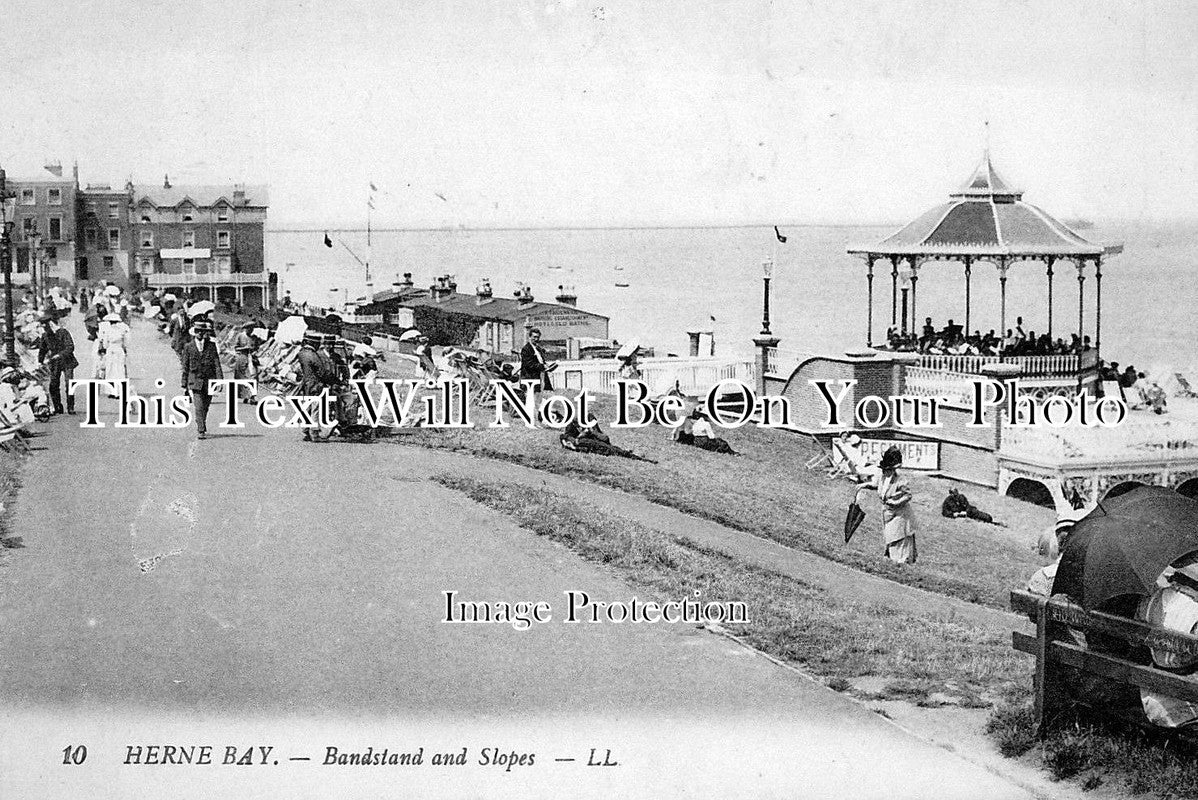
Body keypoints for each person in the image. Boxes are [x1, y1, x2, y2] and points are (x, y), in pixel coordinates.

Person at [873, 446, 917, 564]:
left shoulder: (900, 480)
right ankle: (893, 559)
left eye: (887, 469)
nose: (885, 472)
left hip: (900, 514)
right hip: (887, 513)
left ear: (893, 470)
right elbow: (877, 487)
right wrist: (863, 485)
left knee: (898, 536)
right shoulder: (883, 478)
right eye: (884, 469)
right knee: (890, 536)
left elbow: (908, 496)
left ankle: (901, 562)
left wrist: (895, 502)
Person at [180, 320, 223, 440]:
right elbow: (185, 366)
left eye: (202, 331)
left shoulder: (211, 346)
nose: (199, 333)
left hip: (209, 381)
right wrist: (184, 382)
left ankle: (200, 420)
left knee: (205, 406)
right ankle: (201, 429)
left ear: (205, 332)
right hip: (195, 381)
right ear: (194, 332)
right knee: (198, 406)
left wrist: (219, 381)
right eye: (197, 331)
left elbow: (216, 364)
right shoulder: (188, 347)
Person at [37, 314, 79, 416]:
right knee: (53, 385)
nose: (44, 329)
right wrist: (40, 361)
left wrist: (59, 355)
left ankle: (70, 407)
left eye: (45, 326)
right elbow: (42, 350)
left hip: (67, 361)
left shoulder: (63, 332)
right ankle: (57, 406)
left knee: (69, 384)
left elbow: (70, 347)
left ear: (50, 324)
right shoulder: (45, 335)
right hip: (55, 363)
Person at [296, 331, 330, 442]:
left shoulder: (301, 353)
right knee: (316, 408)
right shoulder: (313, 355)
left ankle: (305, 431)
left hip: (306, 383)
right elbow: (321, 372)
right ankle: (314, 433)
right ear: (314, 343)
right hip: (316, 384)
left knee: (307, 406)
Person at [98, 312, 131, 398]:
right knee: (120, 370)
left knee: (110, 370)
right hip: (119, 350)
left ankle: (111, 391)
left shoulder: (108, 331)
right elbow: (126, 343)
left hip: (111, 350)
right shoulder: (122, 330)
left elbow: (105, 344)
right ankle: (120, 391)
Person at [520, 327, 554, 392]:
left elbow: (541, 361)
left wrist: (546, 365)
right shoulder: (526, 349)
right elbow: (529, 365)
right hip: (530, 379)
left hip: (541, 377)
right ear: (529, 337)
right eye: (534, 337)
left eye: (538, 337)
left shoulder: (538, 348)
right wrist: (542, 366)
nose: (536, 339)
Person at [232, 321, 259, 405]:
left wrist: (254, 351)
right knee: (243, 378)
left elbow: (257, 347)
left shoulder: (254, 337)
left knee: (253, 377)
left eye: (252, 329)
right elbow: (236, 348)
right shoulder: (240, 336)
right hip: (242, 358)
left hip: (252, 359)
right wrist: (244, 348)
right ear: (245, 329)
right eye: (249, 329)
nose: (251, 331)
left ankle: (252, 396)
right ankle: (245, 395)